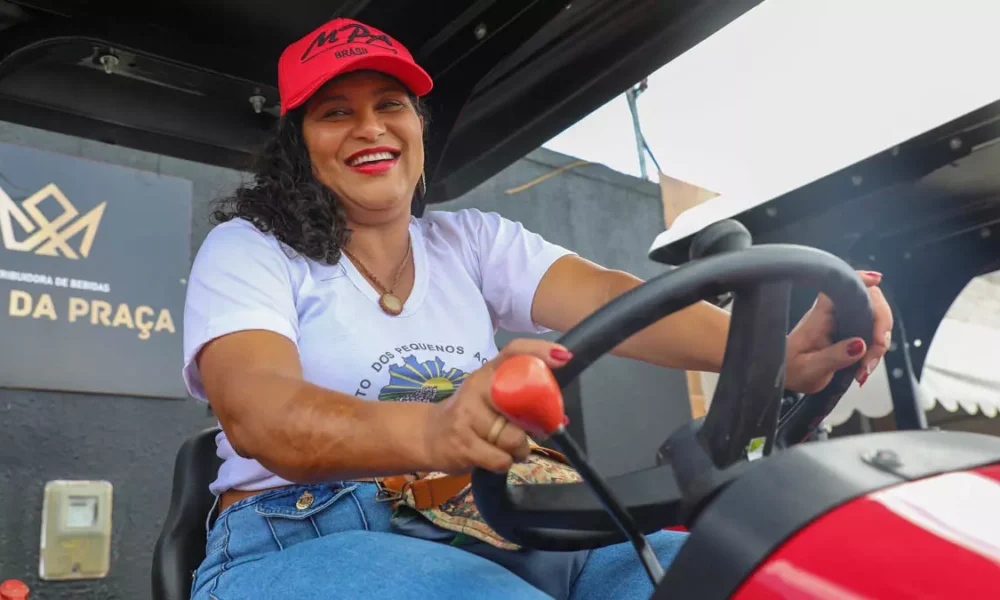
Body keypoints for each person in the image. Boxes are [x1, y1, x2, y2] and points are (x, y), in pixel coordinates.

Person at [182, 17, 893, 600]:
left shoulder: (469, 242)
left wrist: (781, 354)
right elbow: (260, 414)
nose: (370, 128)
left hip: (499, 515)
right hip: (306, 531)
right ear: (299, 146)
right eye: (336, 112)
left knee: (725, 577)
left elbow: (614, 300)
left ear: (420, 130)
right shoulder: (251, 249)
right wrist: (437, 431)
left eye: (389, 105)